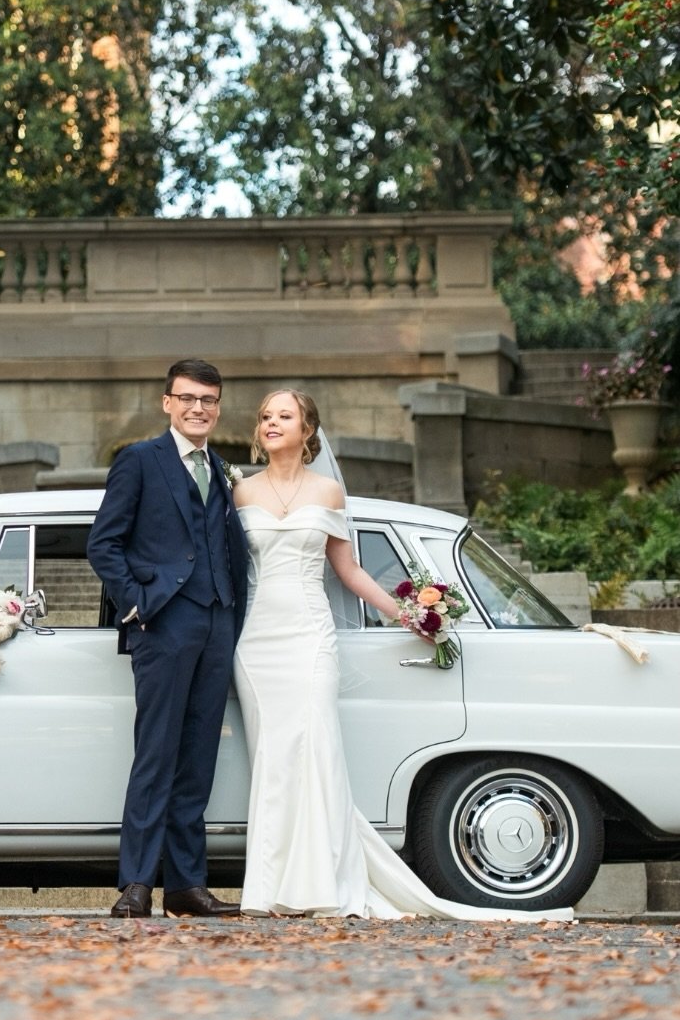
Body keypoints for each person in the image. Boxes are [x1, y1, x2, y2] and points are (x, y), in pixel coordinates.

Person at [232, 388, 573, 922]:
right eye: (265, 416)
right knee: (272, 758)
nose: (271, 422)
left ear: (307, 429)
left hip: (310, 637)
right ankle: (270, 889)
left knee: (316, 748)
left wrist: (410, 614)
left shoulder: (327, 493)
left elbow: (350, 572)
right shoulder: (242, 494)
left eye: (284, 415)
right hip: (257, 643)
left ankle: (321, 885)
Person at [88, 359, 249, 918]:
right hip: (163, 625)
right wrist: (136, 603)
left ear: (219, 406)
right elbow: (103, 544)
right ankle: (136, 883)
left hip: (217, 625)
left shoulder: (222, 468)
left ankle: (186, 885)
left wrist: (232, 613)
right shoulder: (139, 461)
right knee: (155, 755)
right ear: (167, 403)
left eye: (208, 399)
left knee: (199, 758)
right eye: (188, 398)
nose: (198, 408)